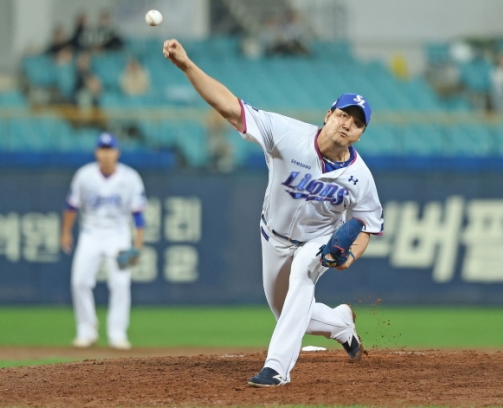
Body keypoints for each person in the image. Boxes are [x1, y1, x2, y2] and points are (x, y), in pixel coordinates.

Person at [162, 39, 383, 387]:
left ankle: (277, 368)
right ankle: (341, 324)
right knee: (287, 312)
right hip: (274, 237)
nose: (346, 124)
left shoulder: (361, 178)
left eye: (356, 123)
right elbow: (230, 108)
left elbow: (367, 225)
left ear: (361, 133)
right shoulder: (287, 134)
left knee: (304, 271)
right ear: (328, 115)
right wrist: (187, 65)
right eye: (343, 115)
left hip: (317, 241)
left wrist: (349, 257)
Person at [61, 133, 147, 350]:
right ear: (96, 152)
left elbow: (138, 213)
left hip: (119, 236)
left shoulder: (130, 177)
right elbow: (71, 206)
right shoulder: (84, 175)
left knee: (121, 283)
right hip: (90, 234)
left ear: (117, 152)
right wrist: (66, 232)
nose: (106, 154)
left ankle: (117, 333)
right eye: (102, 149)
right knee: (79, 281)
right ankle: (86, 330)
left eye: (110, 149)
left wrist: (138, 244)